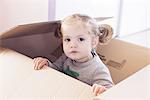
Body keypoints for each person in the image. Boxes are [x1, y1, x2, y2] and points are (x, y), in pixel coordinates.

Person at [33, 14, 114, 96]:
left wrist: (102, 90)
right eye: (67, 39)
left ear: (94, 42)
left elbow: (111, 91)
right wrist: (47, 64)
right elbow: (56, 69)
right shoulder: (65, 57)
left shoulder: (98, 69)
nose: (72, 45)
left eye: (81, 39)